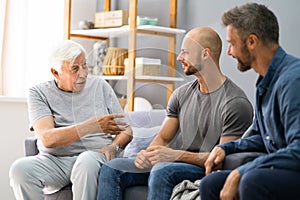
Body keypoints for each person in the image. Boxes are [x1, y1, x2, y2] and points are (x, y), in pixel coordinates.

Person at [96, 26, 254, 200]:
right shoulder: (181, 94)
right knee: (112, 168)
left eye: (185, 52)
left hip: (204, 168)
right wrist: (147, 155)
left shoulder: (235, 103)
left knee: (162, 170)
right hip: (173, 162)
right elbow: (163, 138)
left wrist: (175, 155)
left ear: (205, 54)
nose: (179, 58)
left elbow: (220, 160)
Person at [9, 40, 132, 200]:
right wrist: (90, 126)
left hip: (94, 156)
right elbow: (47, 138)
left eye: (85, 65)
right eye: (75, 68)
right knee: (19, 169)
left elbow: (127, 130)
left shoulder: (100, 86)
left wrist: (113, 147)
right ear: (56, 72)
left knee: (86, 161)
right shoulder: (38, 93)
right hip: (55, 161)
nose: (83, 73)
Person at [200, 3, 300, 200]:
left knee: (251, 180)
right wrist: (224, 148)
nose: (229, 52)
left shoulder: (292, 80)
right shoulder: (265, 83)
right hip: (284, 170)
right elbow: (262, 137)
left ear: (252, 41)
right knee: (210, 183)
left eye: (232, 43)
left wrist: (241, 172)